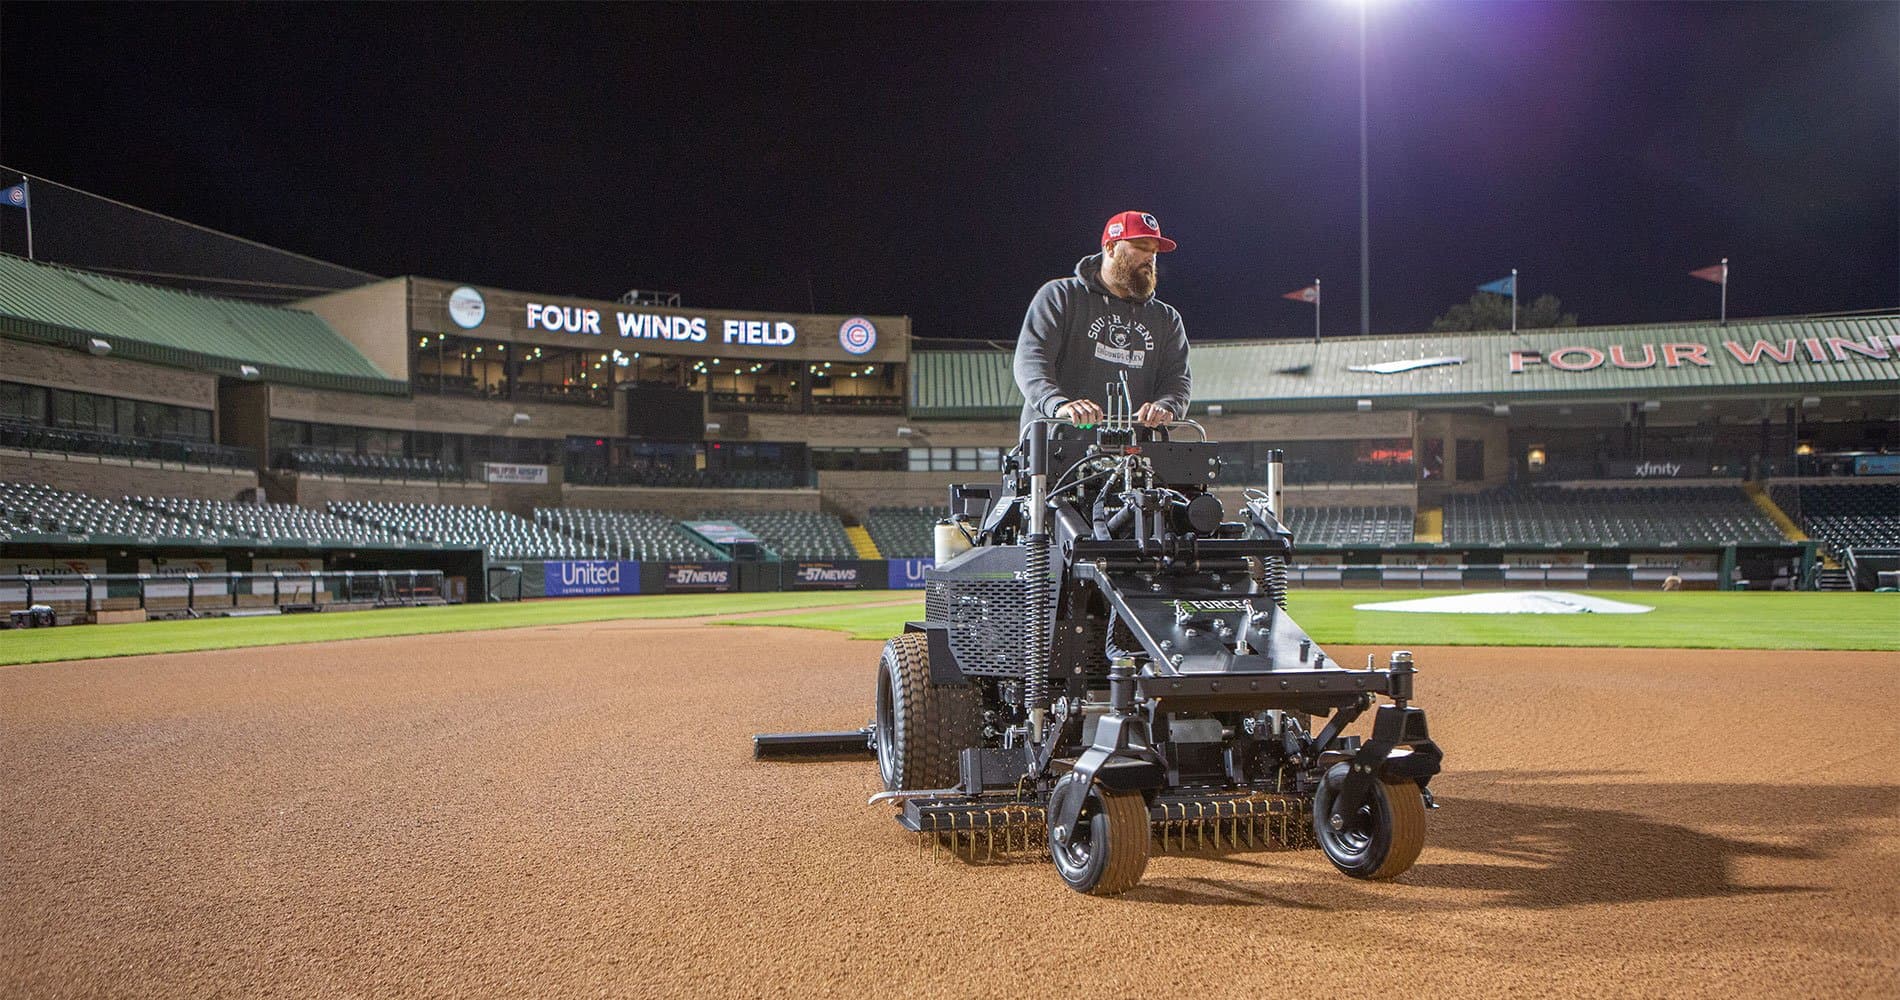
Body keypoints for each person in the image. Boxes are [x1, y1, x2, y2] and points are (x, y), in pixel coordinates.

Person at [1013, 210, 1192, 431]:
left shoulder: (1166, 319)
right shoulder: (1060, 296)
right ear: (1110, 247)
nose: (1150, 258)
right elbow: (1031, 362)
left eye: (1154, 251)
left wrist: (1166, 407)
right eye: (1142, 247)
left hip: (1131, 457)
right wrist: (1060, 405)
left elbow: (1177, 381)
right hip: (1056, 448)